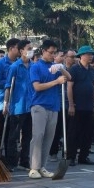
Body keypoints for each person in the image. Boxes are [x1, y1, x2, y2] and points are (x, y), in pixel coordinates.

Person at [28, 40, 71, 180]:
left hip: (54, 106)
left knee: (49, 137)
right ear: (43, 51)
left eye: (55, 53)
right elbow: (37, 87)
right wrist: (56, 82)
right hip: (39, 105)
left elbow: (69, 77)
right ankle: (34, 167)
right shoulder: (35, 67)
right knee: (38, 136)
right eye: (50, 52)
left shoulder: (55, 66)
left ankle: (42, 166)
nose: (53, 55)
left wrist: (61, 67)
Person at [5, 40, 34, 171]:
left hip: (31, 105)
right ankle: (11, 161)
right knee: (14, 136)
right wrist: (6, 103)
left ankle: (24, 160)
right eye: (29, 48)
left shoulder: (34, 66)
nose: (31, 51)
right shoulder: (15, 67)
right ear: (21, 50)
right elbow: (8, 87)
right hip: (17, 106)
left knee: (28, 135)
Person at [66, 45, 94, 166]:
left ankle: (84, 156)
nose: (90, 56)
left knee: (87, 133)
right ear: (81, 56)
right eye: (88, 54)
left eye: (91, 54)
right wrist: (71, 104)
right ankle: (71, 156)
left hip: (89, 106)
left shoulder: (92, 70)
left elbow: (93, 87)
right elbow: (69, 87)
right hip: (77, 105)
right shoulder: (74, 69)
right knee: (74, 132)